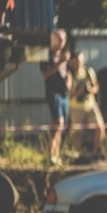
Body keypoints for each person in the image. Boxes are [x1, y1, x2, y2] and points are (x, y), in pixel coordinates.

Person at [40, 29, 71, 165]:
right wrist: (59, 63)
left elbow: (67, 73)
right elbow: (45, 74)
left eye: (64, 40)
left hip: (64, 94)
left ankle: (55, 155)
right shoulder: (47, 55)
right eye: (60, 39)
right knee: (58, 123)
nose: (62, 42)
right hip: (54, 93)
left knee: (62, 125)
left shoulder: (64, 56)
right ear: (54, 39)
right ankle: (50, 154)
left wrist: (69, 83)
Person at [68, 51, 105, 159]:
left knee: (100, 127)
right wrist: (78, 92)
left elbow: (96, 87)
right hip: (76, 106)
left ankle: (96, 151)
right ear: (72, 61)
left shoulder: (89, 71)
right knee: (77, 132)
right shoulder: (70, 74)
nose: (79, 63)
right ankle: (77, 153)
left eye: (80, 60)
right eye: (76, 60)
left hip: (90, 104)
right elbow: (68, 94)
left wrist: (90, 90)